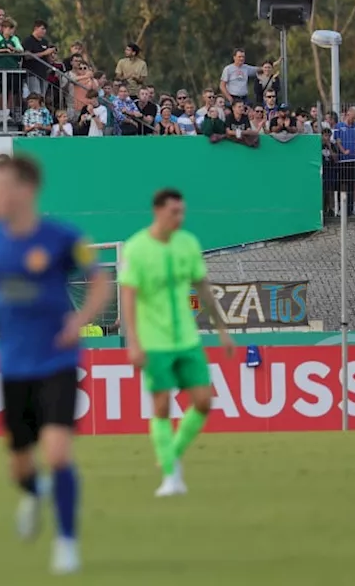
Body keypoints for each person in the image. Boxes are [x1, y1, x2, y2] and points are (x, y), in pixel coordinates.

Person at [0, 155, 111, 576]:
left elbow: (100, 279)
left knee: (58, 452)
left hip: (58, 360)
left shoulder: (61, 237)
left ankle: (66, 541)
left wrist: (79, 319)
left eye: (0, 186)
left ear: (25, 190)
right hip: (15, 366)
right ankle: (32, 492)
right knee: (20, 463)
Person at [118, 189, 235, 497]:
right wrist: (134, 341)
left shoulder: (188, 244)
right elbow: (128, 295)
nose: (179, 218)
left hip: (186, 337)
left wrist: (221, 328)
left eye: (182, 212)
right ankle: (171, 476)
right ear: (158, 211)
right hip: (154, 340)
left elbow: (203, 287)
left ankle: (172, 452)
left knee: (204, 401)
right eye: (174, 213)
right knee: (161, 406)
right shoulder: (137, 248)